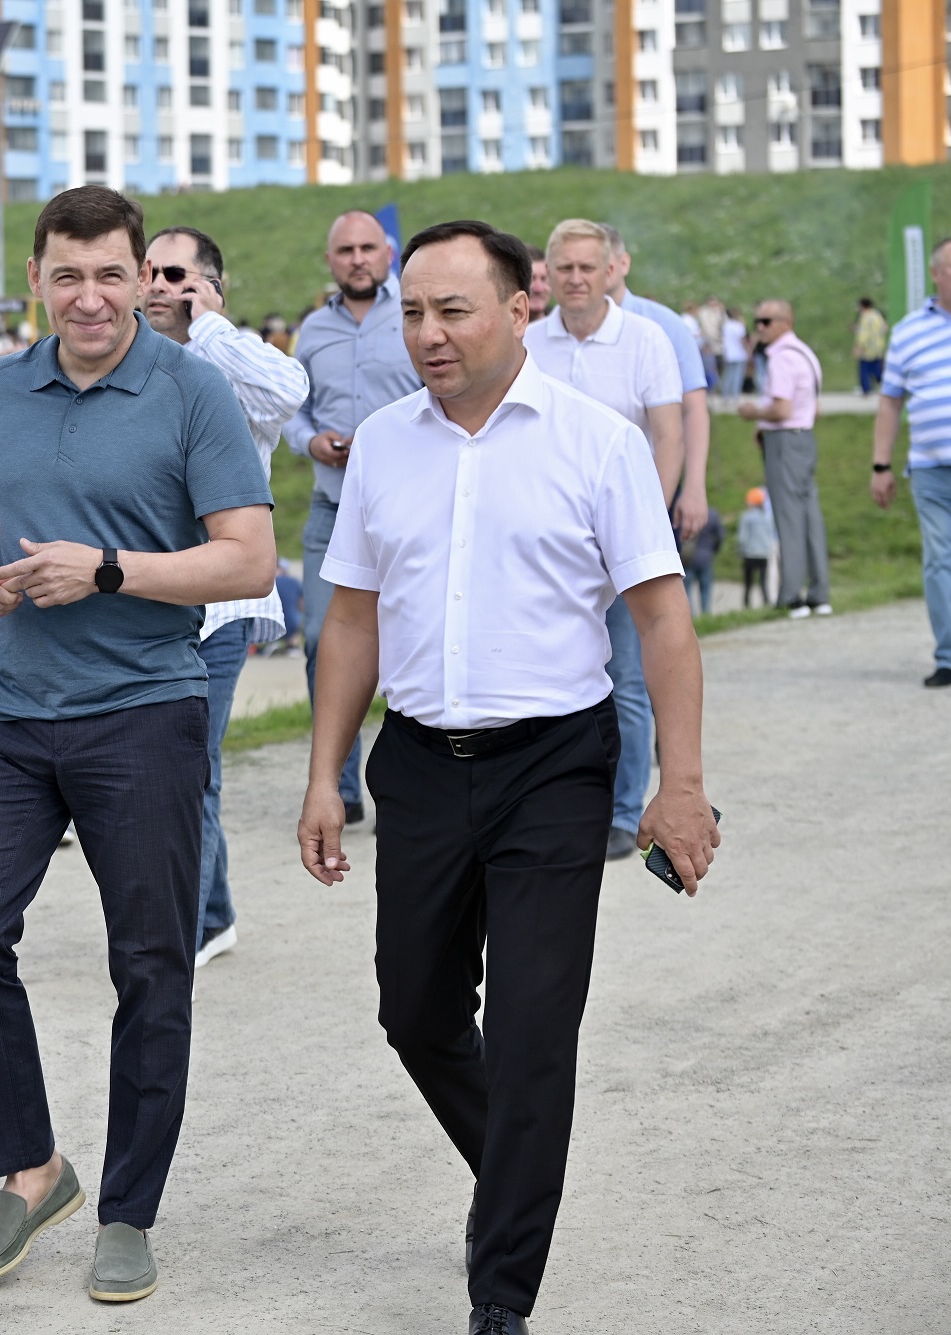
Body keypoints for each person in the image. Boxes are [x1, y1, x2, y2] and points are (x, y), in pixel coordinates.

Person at [297, 219, 718, 1335]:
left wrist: (678, 785)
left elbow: (662, 622)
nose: (427, 334)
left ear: (518, 309)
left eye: (452, 310)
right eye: (412, 313)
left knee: (534, 1028)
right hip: (419, 764)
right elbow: (350, 620)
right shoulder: (383, 444)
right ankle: (517, 1176)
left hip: (554, 768)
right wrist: (325, 775)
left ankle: (501, 1292)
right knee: (416, 1011)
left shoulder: (596, 443)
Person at [0, 186, 278, 1304]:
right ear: (38, 277)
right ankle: (32, 1170)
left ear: (143, 279)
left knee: (150, 964)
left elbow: (248, 559)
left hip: (144, 709)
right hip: (11, 713)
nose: (89, 297)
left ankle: (129, 1210)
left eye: (111, 274)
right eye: (68, 275)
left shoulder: (191, 390)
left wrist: (110, 570)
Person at [140, 223, 308, 967]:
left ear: (212, 285)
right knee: (168, 768)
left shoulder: (235, 362)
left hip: (220, 608)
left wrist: (206, 323)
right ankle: (212, 912)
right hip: (144, 598)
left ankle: (189, 926)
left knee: (189, 767)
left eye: (176, 275)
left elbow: (289, 392)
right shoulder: (130, 359)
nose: (158, 286)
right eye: (148, 272)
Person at [528, 219, 687, 862]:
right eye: (563, 268)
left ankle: (622, 812)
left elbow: (668, 435)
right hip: (549, 542)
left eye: (586, 268)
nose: (574, 279)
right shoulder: (529, 341)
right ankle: (554, 803)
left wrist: (649, 522)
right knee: (551, 672)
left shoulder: (646, 339)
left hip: (622, 538)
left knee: (626, 678)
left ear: (612, 270)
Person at [284, 210, 423, 826]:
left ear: (388, 254)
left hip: (410, 505)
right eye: (346, 250)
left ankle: (412, 772)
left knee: (411, 639)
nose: (358, 259)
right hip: (332, 506)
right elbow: (293, 408)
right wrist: (310, 440)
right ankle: (338, 783)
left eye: (369, 248)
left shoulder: (415, 316)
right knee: (322, 639)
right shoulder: (314, 329)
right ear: (330, 260)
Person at [872, 238, 951, 687]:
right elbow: (890, 403)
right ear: (936, 274)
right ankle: (949, 656)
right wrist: (880, 466)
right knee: (939, 559)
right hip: (930, 468)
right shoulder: (907, 332)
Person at [604, 224, 712, 542]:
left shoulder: (664, 325)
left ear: (624, 263)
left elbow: (693, 409)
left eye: (600, 263)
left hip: (650, 483)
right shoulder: (561, 327)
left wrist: (694, 486)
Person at [738, 300, 831, 617]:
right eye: (757, 321)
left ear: (785, 322)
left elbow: (781, 409)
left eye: (766, 321)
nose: (759, 328)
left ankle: (791, 594)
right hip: (805, 437)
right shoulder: (806, 353)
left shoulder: (780, 358)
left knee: (787, 516)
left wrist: (753, 414)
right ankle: (819, 592)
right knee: (809, 515)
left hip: (784, 442)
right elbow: (813, 407)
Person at [736, 487, 776, 609]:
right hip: (764, 554)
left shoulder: (746, 517)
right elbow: (770, 535)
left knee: (748, 583)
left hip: (749, 554)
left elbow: (743, 537)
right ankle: (766, 603)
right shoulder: (767, 517)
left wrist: (740, 550)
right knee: (763, 582)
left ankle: (746, 605)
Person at [682, 505, 724, 615]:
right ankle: (706, 615)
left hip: (689, 557)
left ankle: (691, 616)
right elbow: (720, 536)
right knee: (706, 588)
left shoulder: (686, 512)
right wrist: (713, 549)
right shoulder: (712, 514)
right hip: (706, 557)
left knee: (687, 589)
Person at [854, 297, 890, 395]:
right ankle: (884, 386)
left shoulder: (865, 317)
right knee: (877, 368)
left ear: (862, 306)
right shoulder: (877, 315)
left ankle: (866, 389)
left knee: (864, 369)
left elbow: (864, 333)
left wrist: (859, 346)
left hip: (867, 348)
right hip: (878, 346)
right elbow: (884, 327)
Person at [719, 306, 750, 400]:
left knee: (728, 374)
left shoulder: (726, 326)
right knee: (737, 375)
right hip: (739, 353)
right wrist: (748, 351)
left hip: (729, 353)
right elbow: (743, 340)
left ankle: (724, 394)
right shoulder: (739, 326)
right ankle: (735, 395)